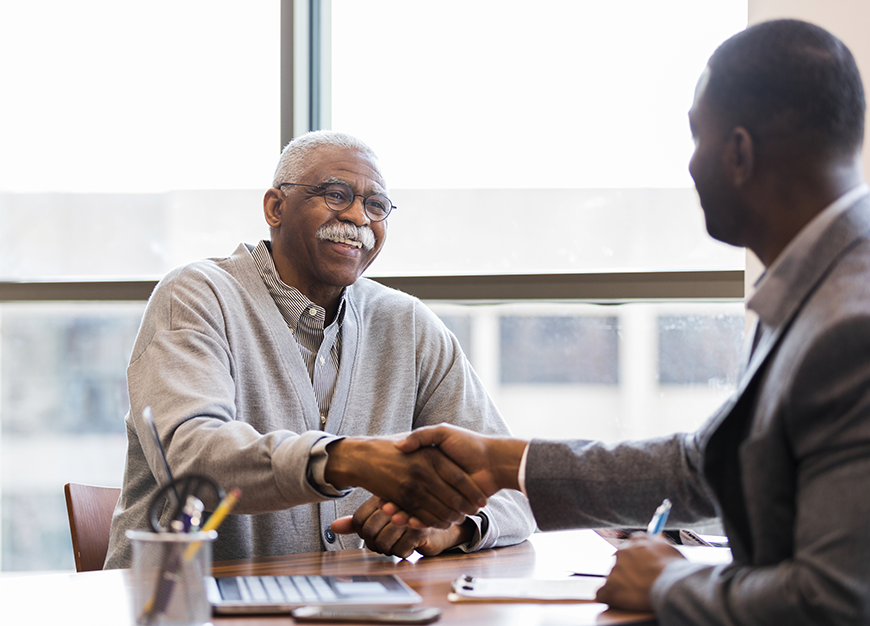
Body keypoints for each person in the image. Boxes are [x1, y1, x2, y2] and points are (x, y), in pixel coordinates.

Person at [388, 19, 870, 625]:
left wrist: (670, 583)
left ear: (740, 152)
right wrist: (502, 462)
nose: (690, 166)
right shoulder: (818, 290)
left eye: (697, 138)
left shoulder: (851, 325)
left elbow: (837, 602)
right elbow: (706, 463)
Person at [104, 130, 534, 568]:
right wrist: (347, 460)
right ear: (275, 207)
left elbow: (511, 489)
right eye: (336, 194)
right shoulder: (196, 296)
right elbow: (192, 461)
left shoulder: (407, 324)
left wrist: (452, 526)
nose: (358, 218)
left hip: (348, 610)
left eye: (376, 205)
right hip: (184, 606)